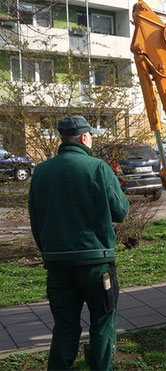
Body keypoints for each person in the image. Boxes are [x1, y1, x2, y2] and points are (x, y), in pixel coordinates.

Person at [28, 116, 129, 370]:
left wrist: (49, 251)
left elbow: (36, 220)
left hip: (58, 265)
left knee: (64, 327)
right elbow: (121, 212)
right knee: (103, 323)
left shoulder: (41, 171)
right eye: (91, 135)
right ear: (85, 137)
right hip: (97, 264)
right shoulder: (98, 168)